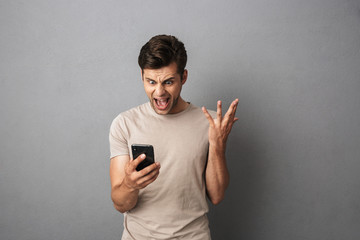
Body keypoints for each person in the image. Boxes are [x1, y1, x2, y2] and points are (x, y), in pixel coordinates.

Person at [109, 34, 238, 240]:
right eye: (151, 82)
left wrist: (217, 145)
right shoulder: (124, 123)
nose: (159, 92)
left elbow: (217, 195)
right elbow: (120, 203)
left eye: (168, 82)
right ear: (141, 76)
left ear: (183, 77)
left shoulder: (211, 123)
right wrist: (130, 184)